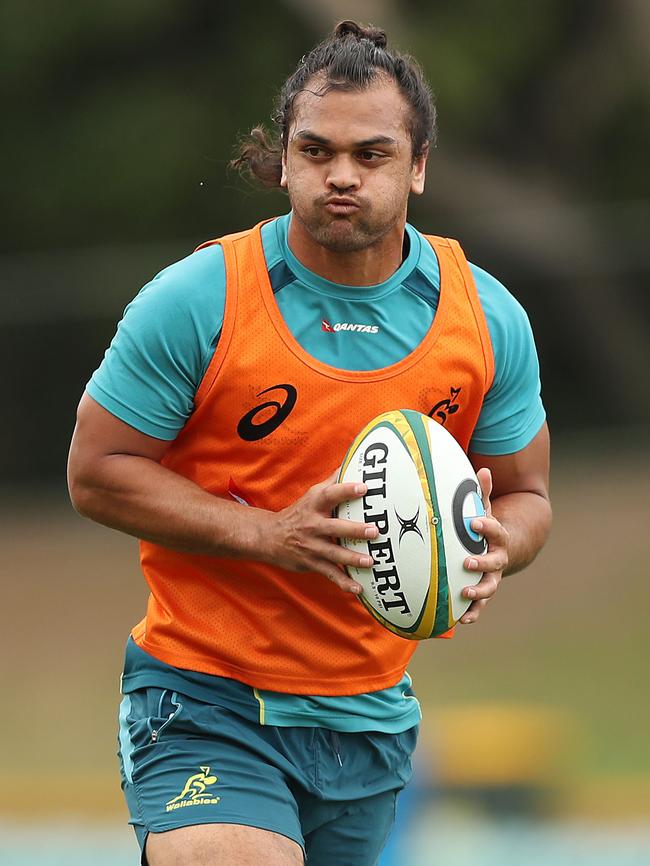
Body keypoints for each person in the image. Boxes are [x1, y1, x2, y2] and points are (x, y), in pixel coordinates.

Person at [67, 20, 551, 866]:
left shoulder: (486, 317)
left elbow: (528, 495)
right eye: (316, 150)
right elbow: (95, 473)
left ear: (420, 166)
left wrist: (495, 548)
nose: (340, 175)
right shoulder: (199, 300)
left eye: (371, 155)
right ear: (284, 160)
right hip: (204, 699)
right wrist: (270, 532)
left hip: (369, 716)